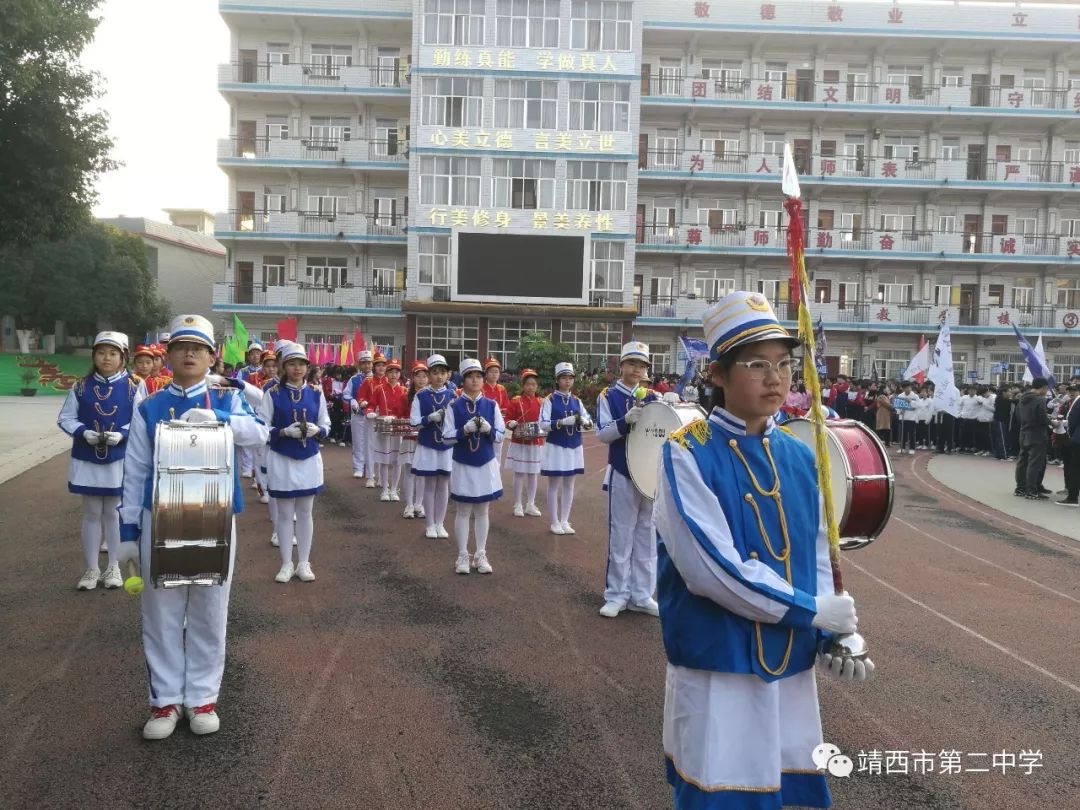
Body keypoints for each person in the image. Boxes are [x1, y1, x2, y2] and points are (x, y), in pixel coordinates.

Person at [654, 291, 872, 809]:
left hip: (790, 668)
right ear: (718, 375)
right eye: (756, 364)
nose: (776, 378)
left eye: (784, 364)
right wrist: (813, 612)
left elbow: (821, 554)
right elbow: (710, 569)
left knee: (789, 789)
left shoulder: (802, 454)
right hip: (717, 663)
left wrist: (838, 633)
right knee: (719, 793)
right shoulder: (685, 449)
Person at [117, 315, 268, 740]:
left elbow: (260, 434)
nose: (189, 354)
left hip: (216, 514)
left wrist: (218, 415)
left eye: (197, 348)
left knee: (209, 606)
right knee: (160, 610)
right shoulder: (148, 405)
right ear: (168, 353)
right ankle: (164, 700)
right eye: (181, 346)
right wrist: (128, 532)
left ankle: (202, 696)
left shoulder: (226, 396)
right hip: (159, 515)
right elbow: (134, 471)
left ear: (211, 357)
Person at [57, 331, 138, 591]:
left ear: (123, 357)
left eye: (113, 353)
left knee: (113, 513)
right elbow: (66, 418)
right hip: (86, 458)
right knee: (91, 513)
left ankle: (113, 566)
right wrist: (84, 432)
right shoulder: (80, 386)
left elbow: (141, 419)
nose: (107, 358)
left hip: (118, 458)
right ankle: (92, 568)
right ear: (94, 355)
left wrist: (123, 434)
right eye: (101, 352)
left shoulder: (135, 386)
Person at [596, 341, 660, 619]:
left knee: (647, 535)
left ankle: (642, 594)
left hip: (649, 474)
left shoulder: (654, 397)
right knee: (621, 535)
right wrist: (625, 422)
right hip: (622, 470)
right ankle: (617, 594)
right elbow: (602, 433)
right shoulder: (608, 396)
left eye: (642, 365)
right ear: (621, 365)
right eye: (632, 363)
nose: (637, 369)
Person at [258, 343, 330, 582]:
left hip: (309, 457)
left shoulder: (317, 393)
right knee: (285, 513)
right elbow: (261, 428)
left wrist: (317, 429)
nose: (297, 368)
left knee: (306, 512)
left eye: (301, 363)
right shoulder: (272, 393)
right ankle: (286, 563)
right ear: (284, 366)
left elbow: (327, 425)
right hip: (282, 458)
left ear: (308, 367)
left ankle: (304, 563)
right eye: (292, 363)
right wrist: (283, 432)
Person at [443, 359, 505, 574]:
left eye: (479, 376)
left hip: (486, 462)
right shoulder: (453, 406)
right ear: (463, 379)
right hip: (463, 463)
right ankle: (462, 555)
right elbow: (446, 437)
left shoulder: (492, 405)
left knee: (482, 509)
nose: (476, 380)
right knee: (463, 509)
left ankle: (480, 553)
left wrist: (489, 430)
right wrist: (464, 431)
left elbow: (500, 436)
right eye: (470, 376)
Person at [540, 362, 592, 535]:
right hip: (556, 446)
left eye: (570, 378)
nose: (567, 381)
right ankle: (554, 521)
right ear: (558, 380)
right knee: (554, 484)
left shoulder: (577, 401)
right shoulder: (550, 400)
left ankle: (564, 520)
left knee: (570, 484)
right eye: (564, 378)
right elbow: (543, 424)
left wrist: (586, 422)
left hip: (574, 445)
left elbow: (588, 419)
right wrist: (561, 422)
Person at [411, 354, 454, 539]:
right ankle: (429, 524)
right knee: (429, 484)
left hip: (446, 446)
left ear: (448, 375)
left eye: (442, 373)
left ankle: (440, 523)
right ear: (429, 374)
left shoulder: (454, 395)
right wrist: (429, 418)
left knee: (443, 484)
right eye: (435, 373)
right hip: (428, 445)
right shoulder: (420, 395)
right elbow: (414, 422)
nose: (439, 377)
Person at [506, 369, 545, 518]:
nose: (531, 387)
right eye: (528, 384)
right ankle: (517, 504)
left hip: (535, 441)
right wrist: (512, 423)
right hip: (520, 441)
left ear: (537, 386)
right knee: (519, 472)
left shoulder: (541, 402)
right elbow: (507, 419)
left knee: (533, 473)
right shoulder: (516, 401)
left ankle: (530, 503)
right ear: (523, 386)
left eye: (534, 384)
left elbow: (545, 421)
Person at [373, 359, 409, 502]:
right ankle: (384, 489)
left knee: (397, 460)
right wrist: (372, 413)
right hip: (384, 425)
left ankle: (394, 489)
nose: (394, 375)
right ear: (386, 374)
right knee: (383, 459)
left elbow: (407, 410)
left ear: (400, 374)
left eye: (396, 372)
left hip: (398, 426)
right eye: (391, 372)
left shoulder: (405, 390)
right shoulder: (379, 388)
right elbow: (371, 405)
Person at [400, 362, 428, 519]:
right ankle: (409, 504)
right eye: (419, 376)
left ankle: (419, 503)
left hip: (425, 438)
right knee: (410, 471)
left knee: (422, 472)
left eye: (425, 376)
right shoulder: (406, 396)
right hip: (410, 437)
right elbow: (401, 413)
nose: (422, 379)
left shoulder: (431, 396)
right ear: (413, 378)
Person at [1015, 378, 1051, 499]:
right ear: (1043, 387)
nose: (1046, 392)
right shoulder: (1039, 400)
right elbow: (1042, 418)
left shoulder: (1022, 398)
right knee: (1034, 463)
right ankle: (1031, 490)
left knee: (1022, 461)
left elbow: (1018, 416)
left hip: (1023, 432)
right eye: (1046, 389)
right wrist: (1052, 422)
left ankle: (1020, 488)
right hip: (1037, 434)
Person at [342, 350, 374, 479]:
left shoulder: (377, 379)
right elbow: (346, 394)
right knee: (358, 441)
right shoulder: (354, 379)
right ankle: (358, 468)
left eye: (369, 363)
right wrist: (352, 401)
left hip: (372, 416)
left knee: (372, 442)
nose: (366, 366)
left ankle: (370, 468)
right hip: (357, 415)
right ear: (359, 365)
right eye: (364, 363)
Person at [482, 357, 512, 465]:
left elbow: (506, 406)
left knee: (497, 453)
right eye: (491, 372)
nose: (494, 374)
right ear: (486, 373)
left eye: (496, 372)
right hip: (484, 423)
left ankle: (496, 478)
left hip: (498, 424)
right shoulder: (480, 388)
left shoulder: (501, 389)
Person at [1057, 385, 1080, 506]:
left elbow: (1073, 420)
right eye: (1070, 391)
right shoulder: (1070, 402)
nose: (1071, 393)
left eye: (1074, 391)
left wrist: (1070, 435)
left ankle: (1072, 497)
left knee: (1074, 468)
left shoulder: (1078, 402)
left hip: (1077, 440)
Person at [893, 382, 918, 455]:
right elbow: (897, 406)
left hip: (912, 418)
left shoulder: (915, 396)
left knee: (911, 434)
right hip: (903, 418)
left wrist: (911, 402)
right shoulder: (901, 395)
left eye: (909, 387)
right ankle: (902, 448)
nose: (907, 389)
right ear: (903, 388)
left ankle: (912, 448)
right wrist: (900, 411)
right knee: (902, 433)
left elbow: (918, 405)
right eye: (906, 388)